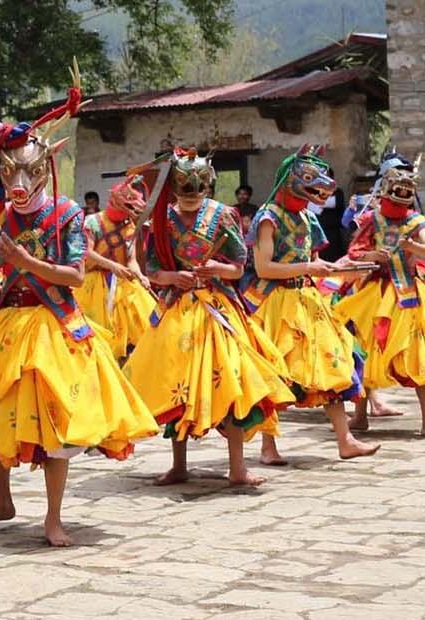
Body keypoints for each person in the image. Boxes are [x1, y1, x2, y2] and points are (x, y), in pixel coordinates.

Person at [0, 64, 155, 546]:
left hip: (56, 328)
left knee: (57, 423)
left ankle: (53, 516)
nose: (19, 181)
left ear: (44, 169)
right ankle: (1, 500)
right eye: (10, 171)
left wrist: (28, 263)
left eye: (27, 171)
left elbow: (75, 276)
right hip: (6, 329)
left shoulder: (67, 217)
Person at [122, 150, 295, 488]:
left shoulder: (224, 215)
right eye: (185, 189)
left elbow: (239, 265)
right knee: (177, 385)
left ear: (208, 186)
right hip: (178, 309)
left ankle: (237, 467)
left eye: (198, 189)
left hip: (219, 309)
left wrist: (218, 269)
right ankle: (179, 465)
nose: (191, 197)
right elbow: (153, 270)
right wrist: (173, 278)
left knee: (230, 382)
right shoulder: (163, 219)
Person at [244, 145, 380, 466]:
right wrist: (310, 268)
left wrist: (330, 267)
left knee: (332, 365)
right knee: (276, 374)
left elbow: (313, 260)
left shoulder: (306, 216)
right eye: (309, 179)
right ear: (290, 180)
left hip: (308, 301)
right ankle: (268, 446)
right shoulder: (268, 217)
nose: (320, 187)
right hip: (274, 305)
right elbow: (264, 268)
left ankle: (345, 439)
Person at [338, 153, 425, 439]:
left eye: (404, 202)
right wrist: (372, 254)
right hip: (374, 292)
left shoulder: (416, 220)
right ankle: (361, 415)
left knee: (419, 353)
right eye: (394, 201)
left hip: (409, 293)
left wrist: (410, 243)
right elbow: (353, 252)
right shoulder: (372, 218)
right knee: (365, 349)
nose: (397, 207)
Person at [77, 179, 157, 361]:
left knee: (142, 331)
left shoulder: (130, 226)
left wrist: (140, 275)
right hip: (94, 286)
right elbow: (86, 253)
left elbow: (131, 260)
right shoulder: (93, 222)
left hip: (123, 285)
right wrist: (112, 265)